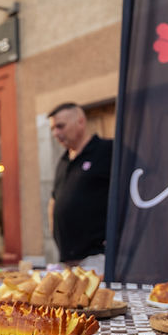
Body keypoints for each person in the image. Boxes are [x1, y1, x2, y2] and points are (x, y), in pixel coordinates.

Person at [47, 102, 113, 275]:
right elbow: (55, 200)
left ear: (80, 121)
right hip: (67, 261)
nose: (56, 133)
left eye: (60, 126)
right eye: (53, 128)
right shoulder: (63, 161)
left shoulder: (107, 151)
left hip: (97, 259)